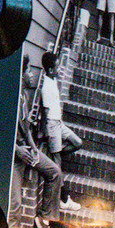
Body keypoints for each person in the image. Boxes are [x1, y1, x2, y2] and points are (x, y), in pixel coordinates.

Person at [40, 52, 82, 212]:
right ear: (50, 70)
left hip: (59, 123)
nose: (60, 68)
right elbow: (45, 112)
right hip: (52, 125)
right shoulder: (46, 87)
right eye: (57, 67)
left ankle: (55, 153)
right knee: (58, 165)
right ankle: (65, 199)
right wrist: (44, 132)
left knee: (78, 143)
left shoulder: (52, 79)